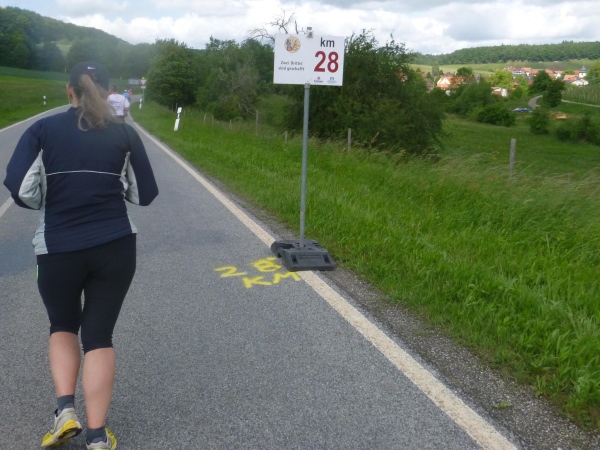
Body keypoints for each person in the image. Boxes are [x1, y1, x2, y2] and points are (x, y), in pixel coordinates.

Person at [3, 61, 159, 449]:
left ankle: (65, 411)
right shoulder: (125, 132)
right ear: (108, 92)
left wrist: (49, 199)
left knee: (62, 325)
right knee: (99, 336)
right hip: (116, 246)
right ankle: (97, 436)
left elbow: (20, 190)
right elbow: (145, 193)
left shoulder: (42, 130)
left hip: (58, 247)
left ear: (69, 91)